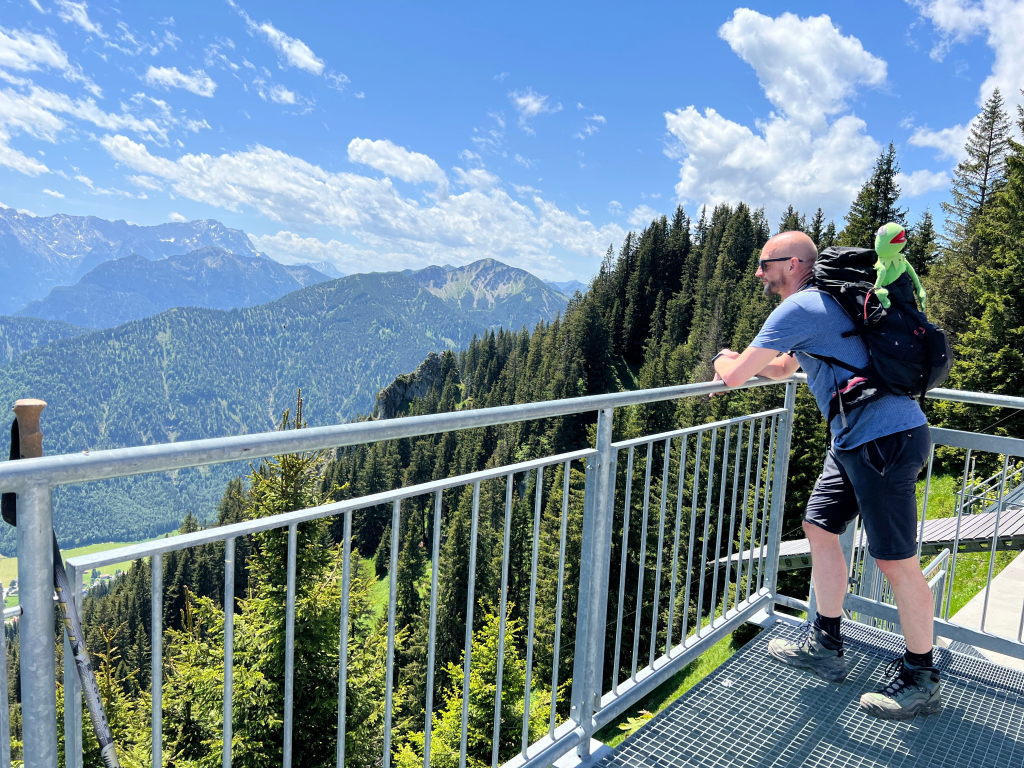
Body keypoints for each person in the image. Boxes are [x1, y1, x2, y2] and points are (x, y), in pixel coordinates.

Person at [711, 230, 941, 720]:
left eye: (765, 263)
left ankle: (922, 678)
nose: (759, 273)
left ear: (793, 264)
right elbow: (779, 369)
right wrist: (744, 365)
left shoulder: (802, 307)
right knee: (819, 528)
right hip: (856, 442)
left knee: (895, 562)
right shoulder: (828, 305)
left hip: (882, 441)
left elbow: (735, 376)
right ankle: (826, 646)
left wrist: (722, 361)